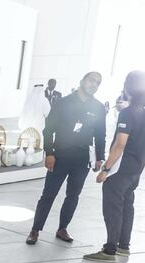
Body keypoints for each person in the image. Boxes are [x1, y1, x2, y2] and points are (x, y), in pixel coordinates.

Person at [26, 72, 106, 245]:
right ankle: (35, 230)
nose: (94, 84)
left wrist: (99, 158)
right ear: (82, 80)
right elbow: (48, 130)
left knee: (73, 195)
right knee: (48, 195)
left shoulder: (98, 108)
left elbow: (100, 135)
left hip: (82, 160)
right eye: (92, 80)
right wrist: (49, 153)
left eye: (98, 83)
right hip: (60, 156)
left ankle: (62, 228)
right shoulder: (63, 102)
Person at [84, 71, 145, 262]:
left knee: (113, 207)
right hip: (136, 168)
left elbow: (120, 144)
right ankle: (123, 246)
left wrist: (106, 169)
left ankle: (110, 249)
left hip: (121, 169)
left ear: (128, 88)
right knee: (127, 205)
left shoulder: (127, 113)